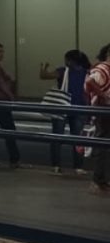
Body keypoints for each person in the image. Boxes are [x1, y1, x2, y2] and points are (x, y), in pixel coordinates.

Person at [40, 50, 90, 174]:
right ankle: (78, 167)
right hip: (80, 107)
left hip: (62, 106)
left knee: (57, 137)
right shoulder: (87, 72)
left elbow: (44, 76)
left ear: (70, 60)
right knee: (78, 139)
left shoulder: (63, 71)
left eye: (66, 59)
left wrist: (43, 67)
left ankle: (56, 165)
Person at [82, 45, 110, 195]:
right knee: (102, 146)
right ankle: (98, 180)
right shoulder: (103, 68)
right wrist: (103, 95)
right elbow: (90, 82)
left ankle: (101, 180)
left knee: (104, 146)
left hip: (104, 110)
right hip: (104, 111)